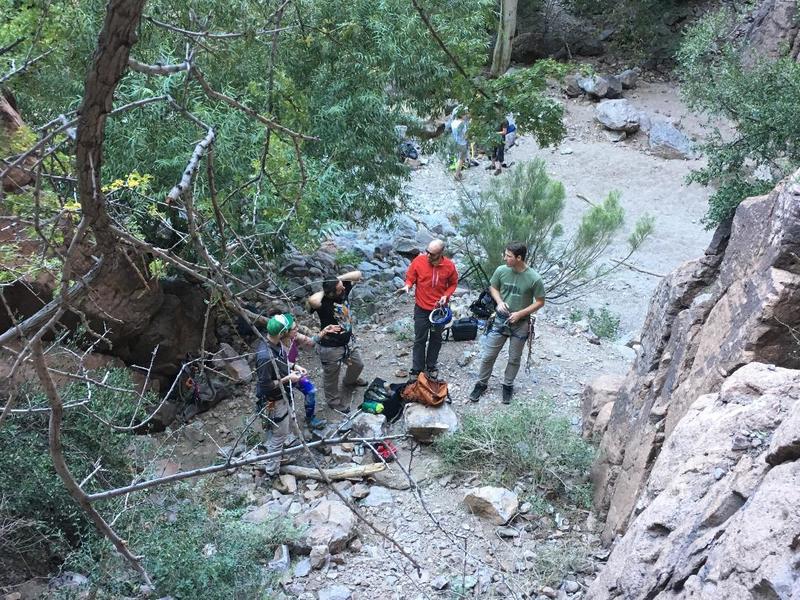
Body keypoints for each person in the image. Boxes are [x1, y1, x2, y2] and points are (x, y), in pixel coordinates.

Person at [469, 242, 545, 404]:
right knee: (489, 355)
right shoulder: (501, 271)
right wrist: (499, 302)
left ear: (519, 258)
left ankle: (508, 385)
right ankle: (481, 384)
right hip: (500, 320)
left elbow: (540, 301)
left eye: (509, 256)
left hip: (521, 323)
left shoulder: (534, 278)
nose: (505, 258)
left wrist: (520, 313)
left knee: (514, 358)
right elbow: (493, 287)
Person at [307, 271, 366, 411]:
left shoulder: (342, 289)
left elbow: (358, 274)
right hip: (330, 347)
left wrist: (336, 280)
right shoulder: (322, 303)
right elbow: (312, 301)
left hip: (347, 342)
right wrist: (325, 290)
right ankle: (333, 401)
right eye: (340, 289)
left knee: (358, 364)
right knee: (331, 376)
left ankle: (349, 381)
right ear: (331, 293)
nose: (344, 289)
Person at [399, 239, 458, 379]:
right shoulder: (419, 261)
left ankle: (431, 365)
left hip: (439, 310)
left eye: (432, 254)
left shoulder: (449, 266)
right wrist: (407, 286)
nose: (428, 255)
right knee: (420, 338)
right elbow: (410, 277)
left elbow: (453, 283)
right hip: (421, 308)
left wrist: (446, 295)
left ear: (441, 253)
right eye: (427, 252)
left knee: (436, 338)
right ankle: (417, 368)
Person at [254, 313, 304, 479]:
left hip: (283, 395)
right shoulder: (264, 356)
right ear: (282, 333)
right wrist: (287, 378)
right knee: (279, 435)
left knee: (286, 425)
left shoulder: (275, 343)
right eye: (290, 329)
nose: (293, 331)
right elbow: (266, 385)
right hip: (273, 400)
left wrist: (295, 366)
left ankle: (277, 458)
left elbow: (281, 362)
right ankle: (271, 473)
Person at [450, 109, 470, 182]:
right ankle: (456, 175)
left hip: (455, 142)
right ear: (461, 115)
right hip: (462, 143)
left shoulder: (453, 122)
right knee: (461, 159)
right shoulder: (462, 124)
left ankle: (459, 173)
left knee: (458, 158)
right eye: (464, 114)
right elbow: (465, 135)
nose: (466, 116)